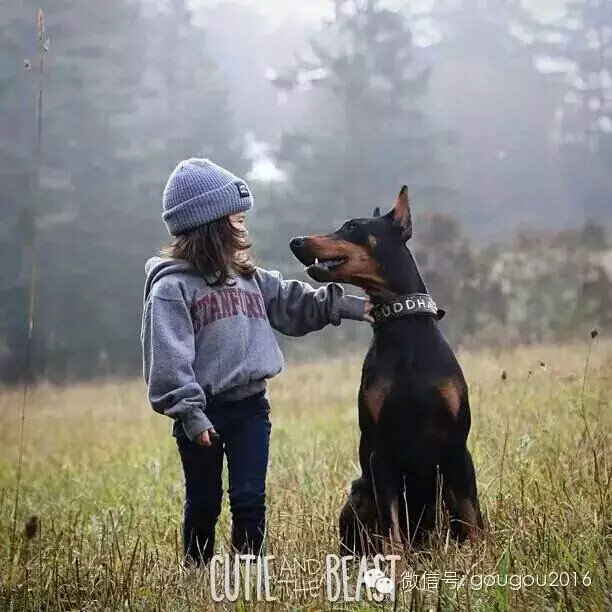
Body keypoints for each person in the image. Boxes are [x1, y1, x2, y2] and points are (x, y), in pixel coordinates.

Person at [141, 158, 371, 565]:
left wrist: (356, 306)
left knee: (249, 500)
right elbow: (168, 361)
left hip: (251, 409)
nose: (243, 227)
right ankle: (197, 576)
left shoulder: (249, 277)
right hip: (201, 416)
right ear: (211, 226)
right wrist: (191, 416)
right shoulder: (171, 289)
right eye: (236, 219)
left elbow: (297, 305)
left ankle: (249, 578)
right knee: (204, 505)